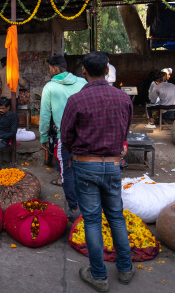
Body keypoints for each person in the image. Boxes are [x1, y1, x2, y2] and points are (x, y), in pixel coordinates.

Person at [61, 51, 134, 292]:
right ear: (106, 71)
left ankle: (99, 276)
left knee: (92, 220)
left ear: (83, 71)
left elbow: (66, 137)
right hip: (113, 165)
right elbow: (124, 133)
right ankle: (125, 269)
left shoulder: (76, 101)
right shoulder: (123, 99)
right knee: (116, 217)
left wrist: (76, 153)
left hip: (85, 164)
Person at [39, 55, 87, 221]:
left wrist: (43, 136)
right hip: (85, 136)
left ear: (55, 69)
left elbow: (45, 114)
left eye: (49, 68)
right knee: (84, 170)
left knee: (66, 173)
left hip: (63, 138)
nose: (49, 71)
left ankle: (73, 208)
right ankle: (88, 206)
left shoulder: (50, 87)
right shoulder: (82, 83)